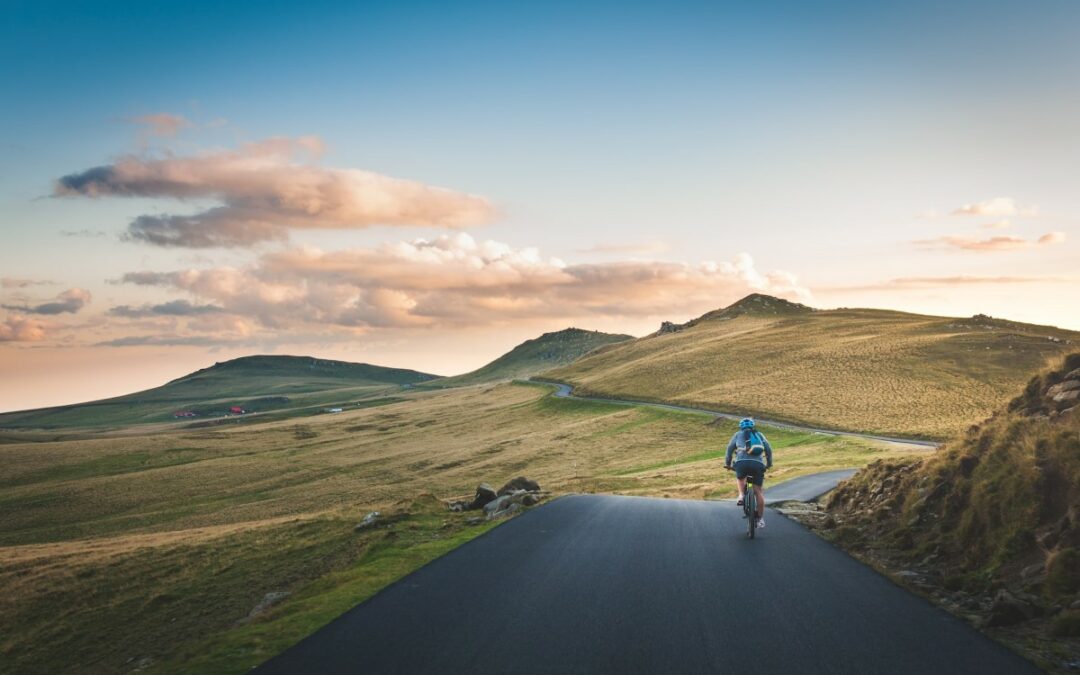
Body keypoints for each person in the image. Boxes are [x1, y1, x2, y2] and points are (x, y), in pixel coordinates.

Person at [724, 418, 773, 529]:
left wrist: (728, 464)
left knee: (740, 478)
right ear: (753, 426)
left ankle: (741, 495)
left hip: (742, 463)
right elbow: (768, 450)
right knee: (758, 491)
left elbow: (729, 450)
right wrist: (769, 464)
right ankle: (760, 519)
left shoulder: (737, 435)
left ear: (741, 426)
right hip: (757, 464)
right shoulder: (759, 435)